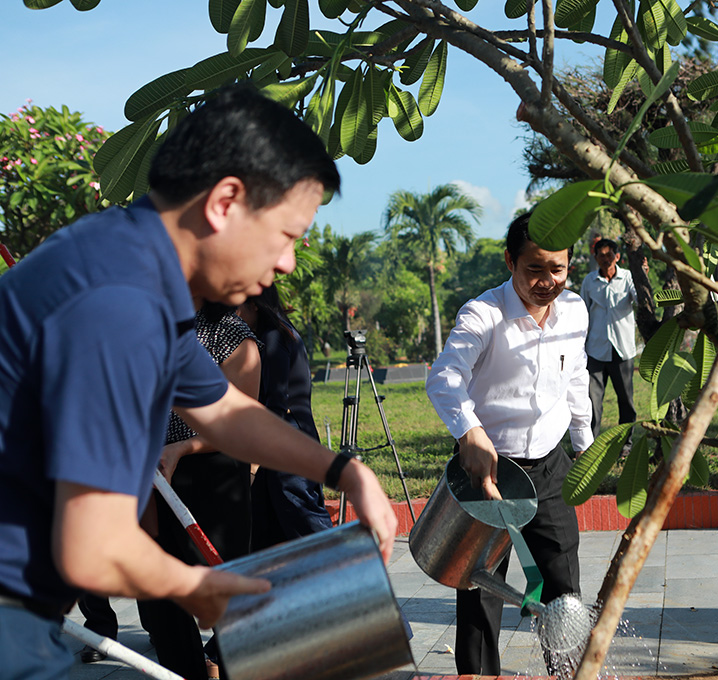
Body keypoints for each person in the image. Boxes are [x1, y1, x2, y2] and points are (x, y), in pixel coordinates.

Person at [0, 84, 396, 679]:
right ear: (225, 202)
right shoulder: (121, 303)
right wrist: (203, 588)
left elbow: (225, 412)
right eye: (286, 235)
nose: (287, 263)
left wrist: (343, 471)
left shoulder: (138, 269)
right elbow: (93, 543)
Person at [425, 212, 593, 676]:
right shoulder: (484, 314)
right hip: (488, 472)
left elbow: (576, 378)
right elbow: (444, 378)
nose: (546, 282)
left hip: (550, 466)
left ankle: (567, 673)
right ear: (510, 261)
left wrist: (586, 445)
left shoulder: (576, 310)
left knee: (563, 587)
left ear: (569, 265)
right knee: (480, 588)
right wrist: (468, 431)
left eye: (556, 270)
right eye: (533, 269)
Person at [138, 302, 263, 680]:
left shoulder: (232, 338)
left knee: (222, 590)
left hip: (212, 475)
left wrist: (181, 448)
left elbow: (242, 419)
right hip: (152, 472)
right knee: (159, 595)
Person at [240, 285, 334, 550]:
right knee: (278, 528)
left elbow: (277, 402)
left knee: (305, 521)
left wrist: (255, 461)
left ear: (255, 304)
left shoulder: (274, 335)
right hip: (287, 437)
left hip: (287, 440)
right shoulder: (279, 331)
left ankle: (346, 574)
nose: (235, 314)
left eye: (238, 306)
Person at [580, 238, 639, 440]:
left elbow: (640, 301)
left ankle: (626, 443)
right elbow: (583, 312)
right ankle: (590, 445)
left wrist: (643, 277)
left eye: (609, 255)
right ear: (595, 257)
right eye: (601, 255)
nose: (606, 259)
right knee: (592, 401)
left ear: (617, 256)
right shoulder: (589, 281)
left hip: (622, 349)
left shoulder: (628, 277)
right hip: (596, 349)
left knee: (626, 401)